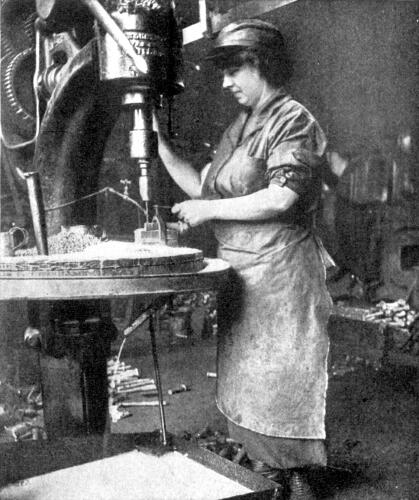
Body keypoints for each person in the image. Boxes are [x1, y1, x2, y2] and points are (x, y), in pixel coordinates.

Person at [154, 19, 333, 499]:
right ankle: (264, 475)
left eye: (235, 71)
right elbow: (204, 189)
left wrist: (206, 210)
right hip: (241, 275)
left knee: (282, 388)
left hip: (280, 274)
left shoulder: (292, 118)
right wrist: (160, 147)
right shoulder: (239, 127)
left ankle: (298, 480)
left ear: (262, 65)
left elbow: (281, 198)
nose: (226, 83)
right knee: (248, 389)